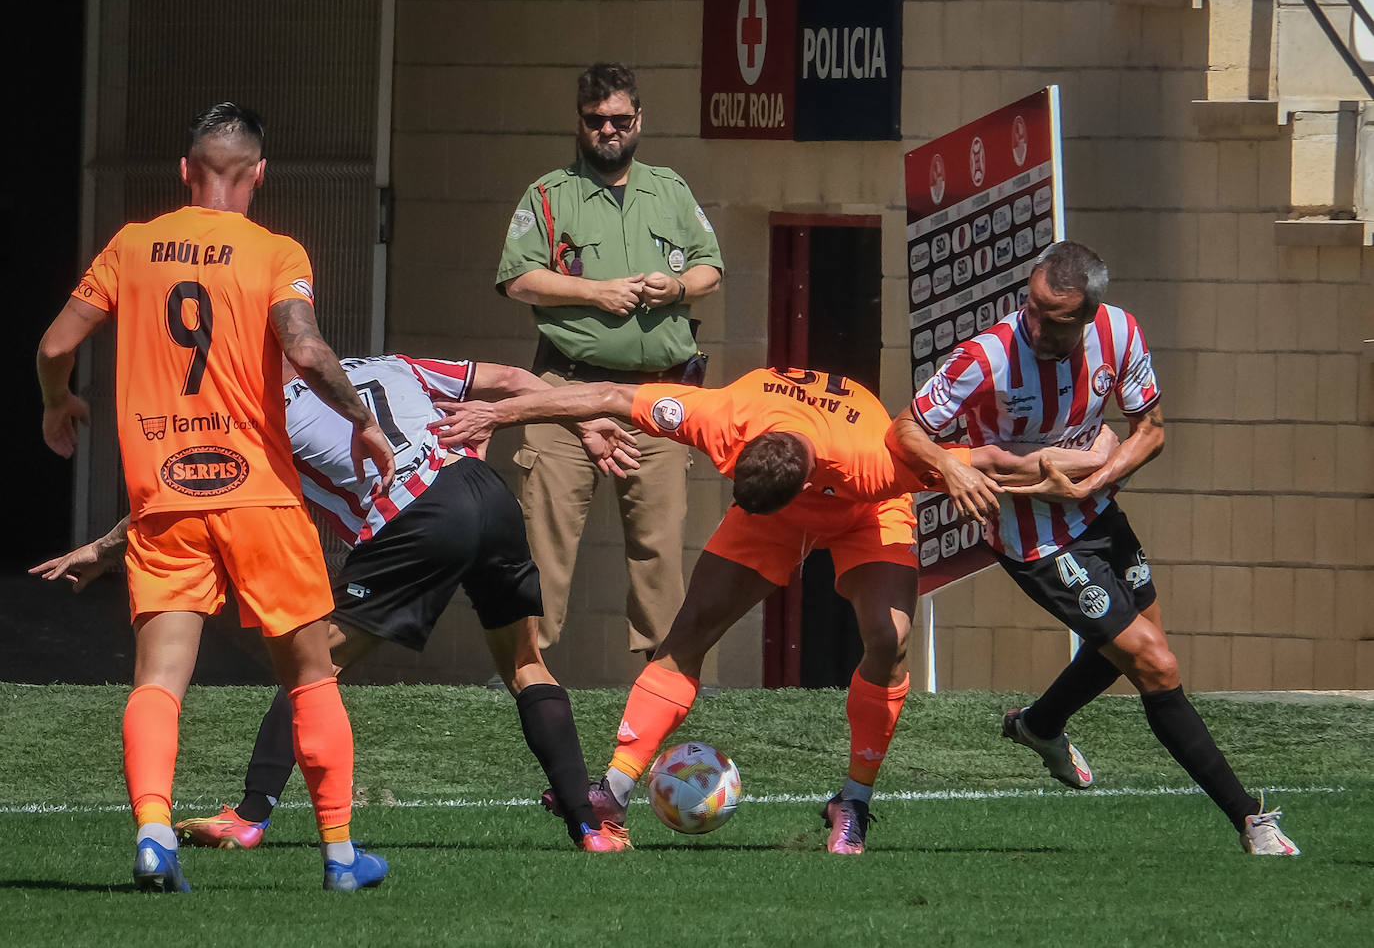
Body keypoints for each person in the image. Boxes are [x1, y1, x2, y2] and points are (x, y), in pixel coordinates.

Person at [32, 353, 640, 854]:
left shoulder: (260, 418)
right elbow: (510, 379)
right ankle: (591, 827)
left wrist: (105, 548)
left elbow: (183, 489)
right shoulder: (389, 365)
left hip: (418, 512)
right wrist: (581, 422)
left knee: (311, 665)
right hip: (487, 493)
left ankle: (248, 817)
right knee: (525, 664)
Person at [36, 103, 398, 893]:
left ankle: (155, 838)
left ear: (184, 171)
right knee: (310, 675)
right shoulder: (275, 251)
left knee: (158, 679)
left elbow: (56, 344)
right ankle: (340, 856)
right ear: (258, 174)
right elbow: (303, 346)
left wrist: (55, 401)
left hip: (165, 496)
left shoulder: (132, 246)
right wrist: (363, 422)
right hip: (260, 496)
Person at [429, 366, 998, 853]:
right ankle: (615, 792)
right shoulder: (722, 416)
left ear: (804, 480)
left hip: (865, 512)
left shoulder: (872, 463)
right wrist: (496, 415)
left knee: (889, 638)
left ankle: (852, 801)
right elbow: (607, 396)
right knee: (690, 630)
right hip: (775, 511)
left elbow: (996, 459)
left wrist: (1075, 471)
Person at [886, 240, 1300, 856]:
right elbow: (905, 428)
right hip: (1033, 539)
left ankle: (1040, 724)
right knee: (1155, 662)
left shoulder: (1121, 334)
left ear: (1087, 317)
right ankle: (1249, 820)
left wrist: (1094, 479)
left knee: (1125, 654)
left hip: (1098, 512)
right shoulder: (988, 356)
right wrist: (952, 469)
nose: (1033, 323)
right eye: (1030, 306)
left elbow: (1151, 431)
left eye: (1052, 319)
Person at [496, 61, 724, 656]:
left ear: (639, 120)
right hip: (566, 390)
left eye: (620, 119)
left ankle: (663, 683)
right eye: (596, 120)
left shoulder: (670, 191)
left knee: (659, 551)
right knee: (543, 544)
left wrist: (676, 289)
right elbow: (518, 279)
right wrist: (593, 291)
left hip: (657, 397)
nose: (608, 130)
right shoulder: (549, 195)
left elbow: (710, 268)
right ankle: (527, 673)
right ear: (580, 122)